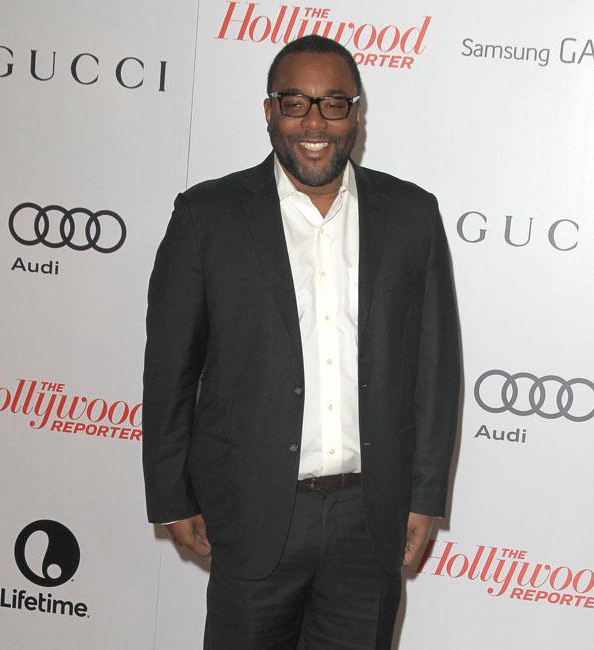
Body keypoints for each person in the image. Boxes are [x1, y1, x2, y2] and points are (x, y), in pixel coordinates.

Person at [143, 34, 460, 649]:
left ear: (357, 114)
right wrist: (171, 496)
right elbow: (169, 371)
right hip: (252, 508)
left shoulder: (412, 214)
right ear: (270, 112)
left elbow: (435, 369)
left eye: (333, 104)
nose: (315, 123)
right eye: (295, 104)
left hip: (371, 515)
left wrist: (425, 496)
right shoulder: (207, 215)